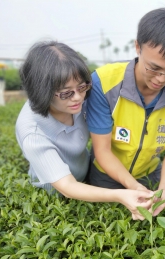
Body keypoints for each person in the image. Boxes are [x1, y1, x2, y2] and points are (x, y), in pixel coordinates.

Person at [15, 41, 155, 221]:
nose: (79, 97)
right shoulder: (32, 131)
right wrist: (120, 195)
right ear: (41, 91)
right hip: (53, 195)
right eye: (66, 93)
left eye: (82, 87)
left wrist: (133, 186)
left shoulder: (80, 101)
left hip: (85, 177)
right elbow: (66, 186)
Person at [84, 8, 165, 215]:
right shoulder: (104, 83)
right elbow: (102, 150)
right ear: (137, 47)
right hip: (106, 177)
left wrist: (164, 189)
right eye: (153, 68)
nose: (161, 79)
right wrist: (133, 187)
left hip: (151, 175)